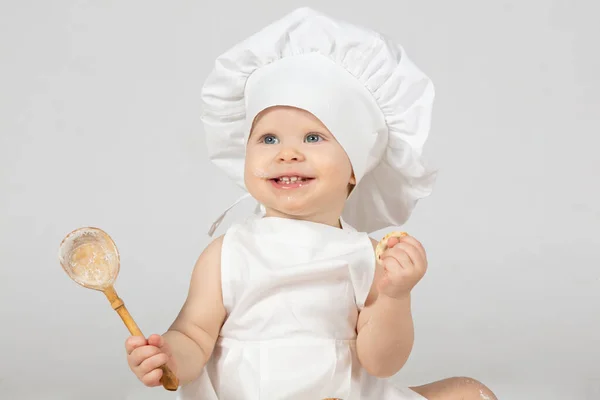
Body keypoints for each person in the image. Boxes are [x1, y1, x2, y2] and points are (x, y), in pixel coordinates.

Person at [124, 7, 497, 400]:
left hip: (340, 394)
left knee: (471, 393)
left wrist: (394, 296)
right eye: (268, 139)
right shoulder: (227, 254)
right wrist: (169, 357)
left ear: (355, 167)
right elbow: (193, 335)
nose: (287, 153)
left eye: (313, 138)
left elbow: (381, 363)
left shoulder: (367, 257)